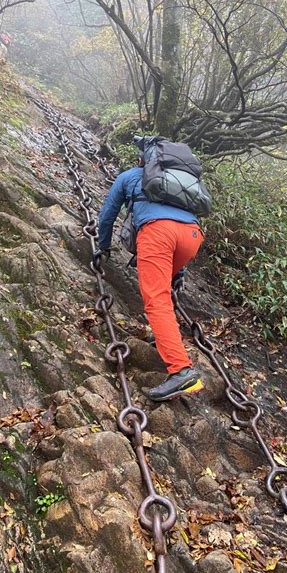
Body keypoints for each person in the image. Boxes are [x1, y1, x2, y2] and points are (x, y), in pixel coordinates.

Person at [96, 138, 205, 402]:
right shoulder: (180, 184)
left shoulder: (131, 176)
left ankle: (181, 370)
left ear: (143, 160)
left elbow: (108, 214)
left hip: (158, 233)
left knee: (156, 300)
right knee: (163, 292)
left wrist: (103, 246)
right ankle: (166, 339)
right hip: (192, 236)